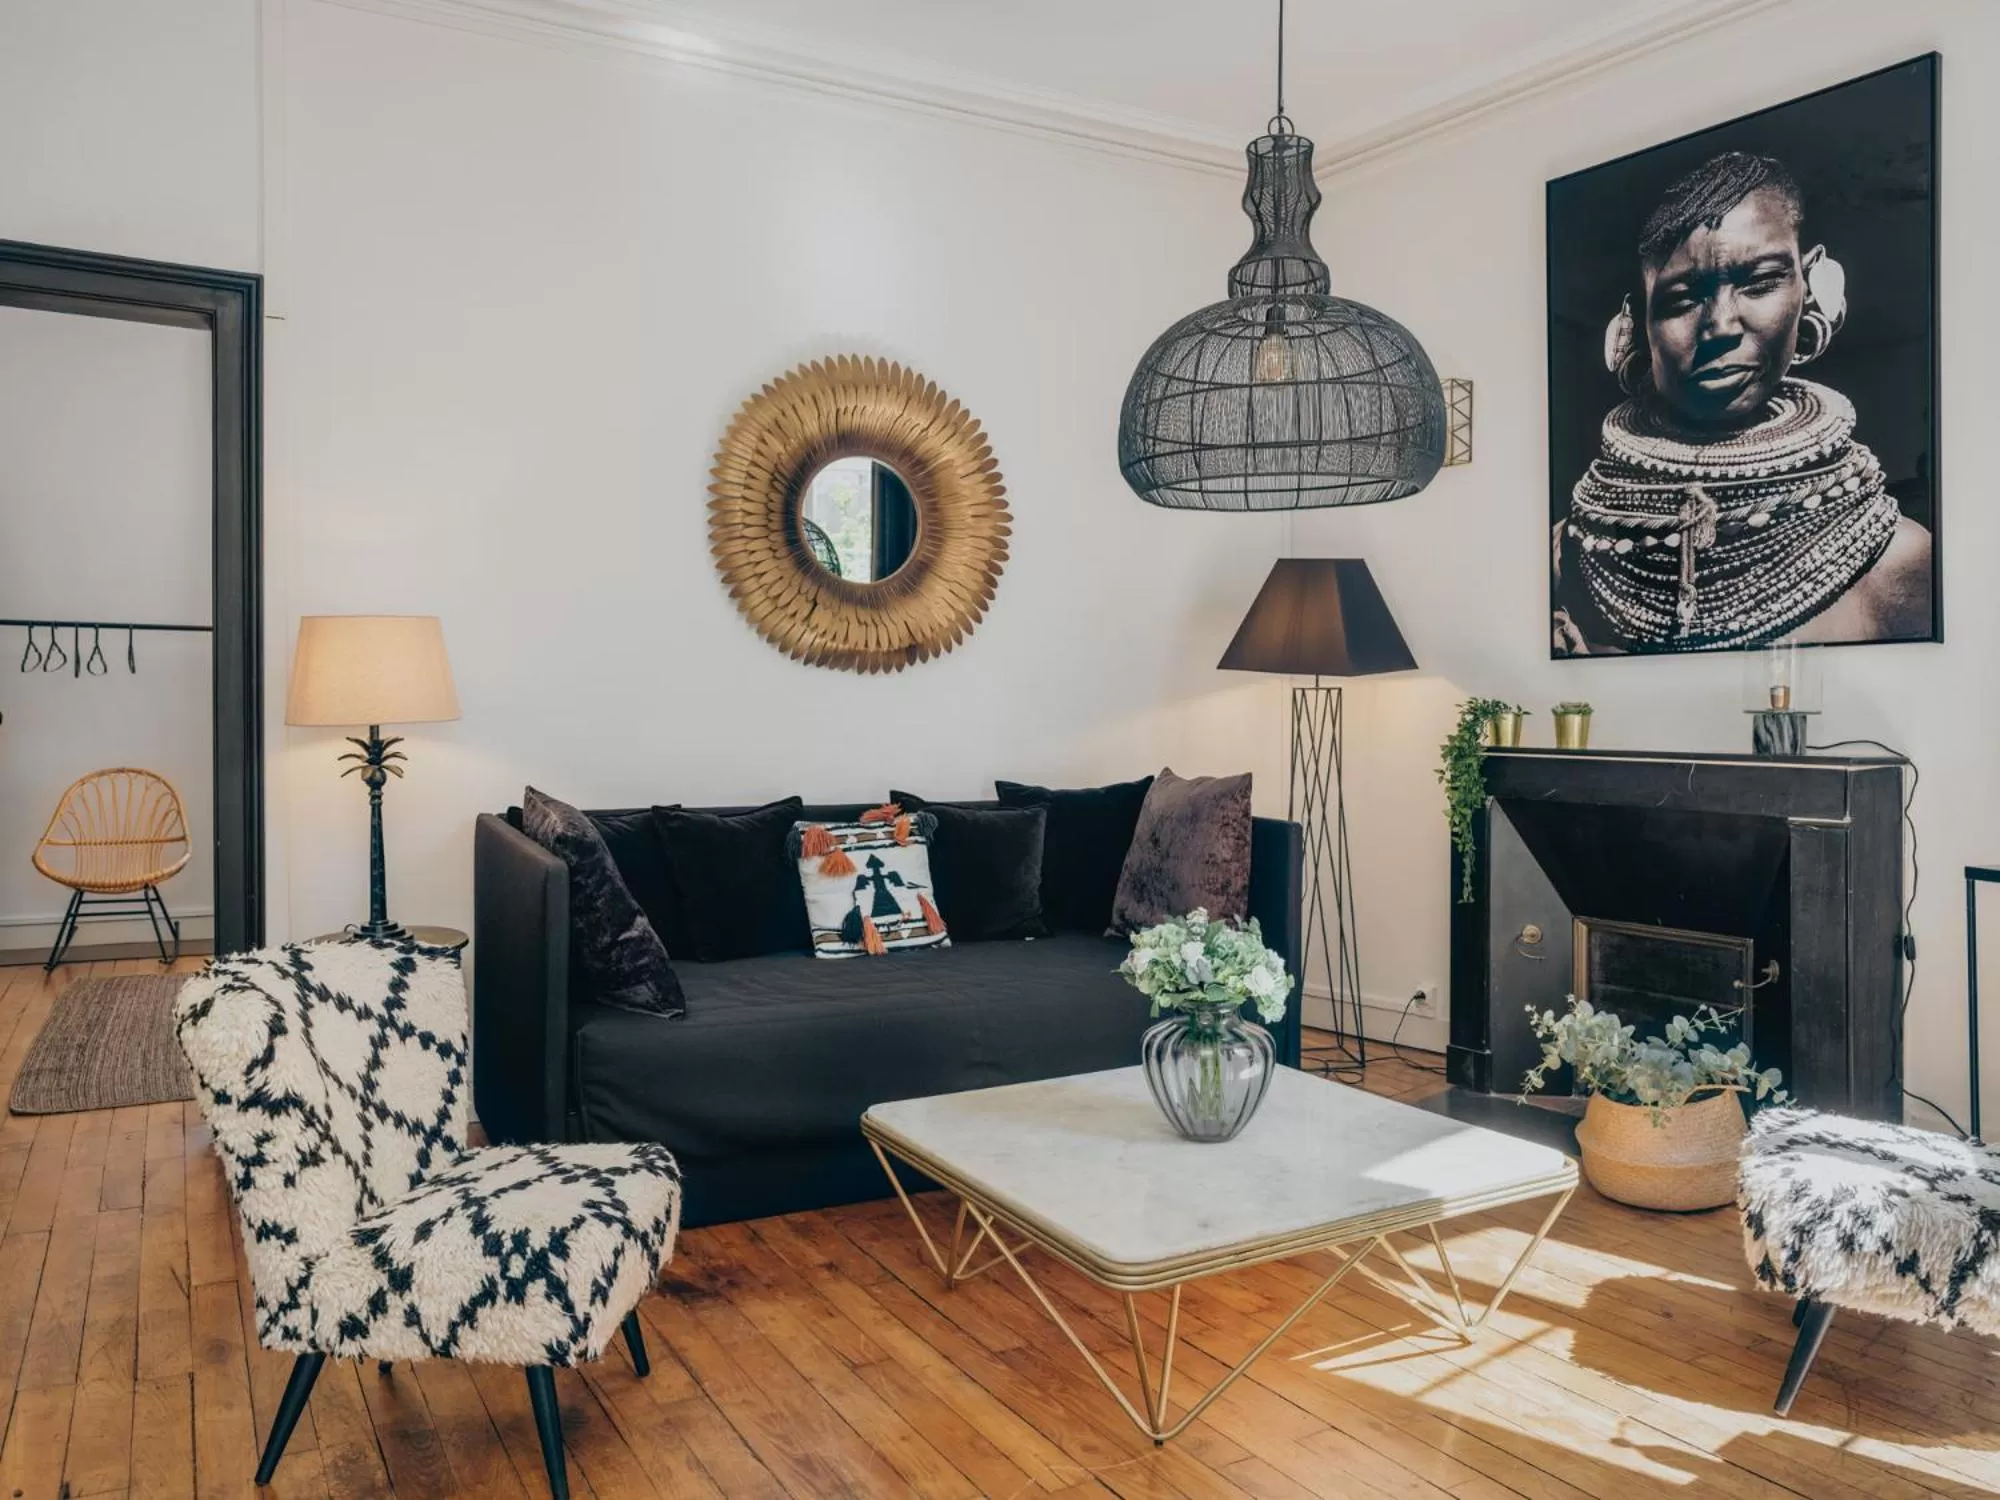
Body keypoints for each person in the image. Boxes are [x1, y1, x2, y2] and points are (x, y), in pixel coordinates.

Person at [1553, 151, 1931, 654]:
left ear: (1811, 289)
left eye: (1760, 282)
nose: (1721, 326)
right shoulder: (1566, 554)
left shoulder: (1897, 562)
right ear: (1636, 324)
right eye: (1682, 298)